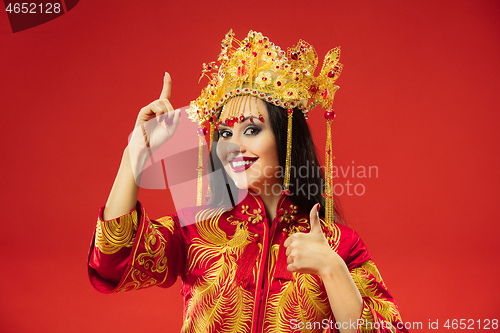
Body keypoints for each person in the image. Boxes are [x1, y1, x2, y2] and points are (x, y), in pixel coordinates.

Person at [88, 30, 409, 333]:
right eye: (225, 133)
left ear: (285, 138)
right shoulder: (198, 231)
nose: (234, 145)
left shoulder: (336, 244)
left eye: (252, 130)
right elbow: (112, 261)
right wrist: (135, 154)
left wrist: (331, 268)